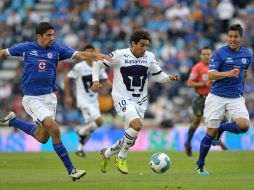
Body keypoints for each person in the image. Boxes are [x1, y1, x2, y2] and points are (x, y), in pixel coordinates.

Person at [0, 22, 111, 181]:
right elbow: (4, 52)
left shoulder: (57, 50)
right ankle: (72, 170)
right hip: (32, 98)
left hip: (50, 98)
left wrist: (96, 56)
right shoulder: (26, 48)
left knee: (42, 137)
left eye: (53, 35)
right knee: (54, 128)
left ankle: (12, 121)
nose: (52, 38)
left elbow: (79, 54)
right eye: (48, 35)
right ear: (39, 36)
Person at [91, 29, 179, 174]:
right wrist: (95, 80)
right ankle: (121, 156)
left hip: (141, 101)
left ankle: (107, 153)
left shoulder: (149, 57)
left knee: (131, 138)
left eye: (146, 46)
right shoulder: (119, 55)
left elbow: (158, 76)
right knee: (137, 125)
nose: (144, 49)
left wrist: (169, 78)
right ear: (133, 43)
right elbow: (97, 64)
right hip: (123, 98)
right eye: (142, 45)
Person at [195, 24, 251, 175]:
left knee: (244, 125)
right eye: (230, 36)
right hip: (217, 97)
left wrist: (242, 88)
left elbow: (244, 74)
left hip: (236, 98)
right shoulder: (220, 53)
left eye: (236, 36)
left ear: (241, 37)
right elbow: (210, 75)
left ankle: (223, 127)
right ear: (227, 37)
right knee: (210, 132)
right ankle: (201, 164)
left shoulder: (247, 54)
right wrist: (228, 74)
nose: (232, 39)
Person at [64, 44, 111, 157]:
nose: (90, 54)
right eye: (87, 52)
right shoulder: (79, 67)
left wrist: (112, 87)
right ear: (84, 54)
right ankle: (81, 131)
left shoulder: (98, 66)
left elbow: (106, 82)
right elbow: (66, 79)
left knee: (91, 126)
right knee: (99, 122)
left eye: (92, 52)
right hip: (83, 101)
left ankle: (79, 148)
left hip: (94, 101)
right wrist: (68, 96)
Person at [184, 47, 227, 157]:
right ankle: (188, 143)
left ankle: (217, 139)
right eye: (204, 54)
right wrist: (202, 84)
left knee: (224, 119)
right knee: (196, 121)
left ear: (211, 54)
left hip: (214, 98)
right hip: (200, 98)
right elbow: (189, 83)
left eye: (208, 54)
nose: (206, 56)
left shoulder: (216, 66)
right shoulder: (197, 67)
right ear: (201, 56)